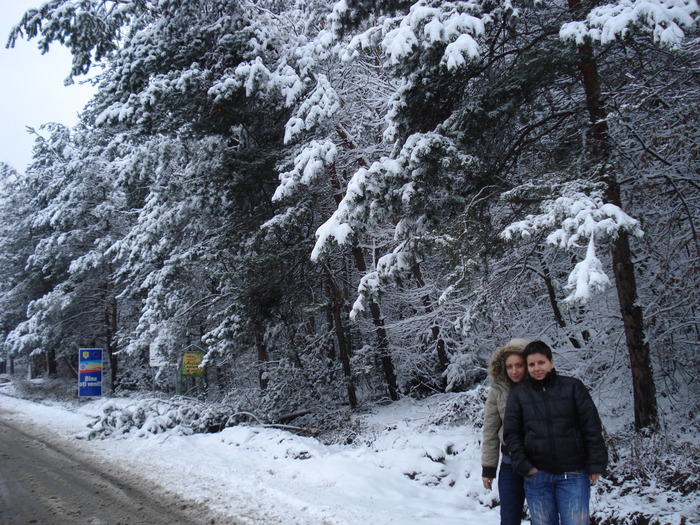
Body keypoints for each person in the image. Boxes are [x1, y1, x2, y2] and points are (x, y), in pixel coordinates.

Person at [504, 341, 608, 525]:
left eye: (541, 362)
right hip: (537, 477)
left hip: (573, 474)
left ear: (551, 363)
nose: (537, 368)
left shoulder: (573, 387)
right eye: (532, 364)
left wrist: (596, 463)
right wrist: (526, 467)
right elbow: (512, 434)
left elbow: (590, 426)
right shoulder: (519, 394)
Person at [481, 338, 530, 525]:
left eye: (519, 365)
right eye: (509, 366)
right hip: (510, 464)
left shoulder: (540, 387)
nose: (514, 371)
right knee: (509, 518)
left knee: (543, 517)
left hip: (539, 463)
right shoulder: (498, 390)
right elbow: (491, 429)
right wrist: (488, 468)